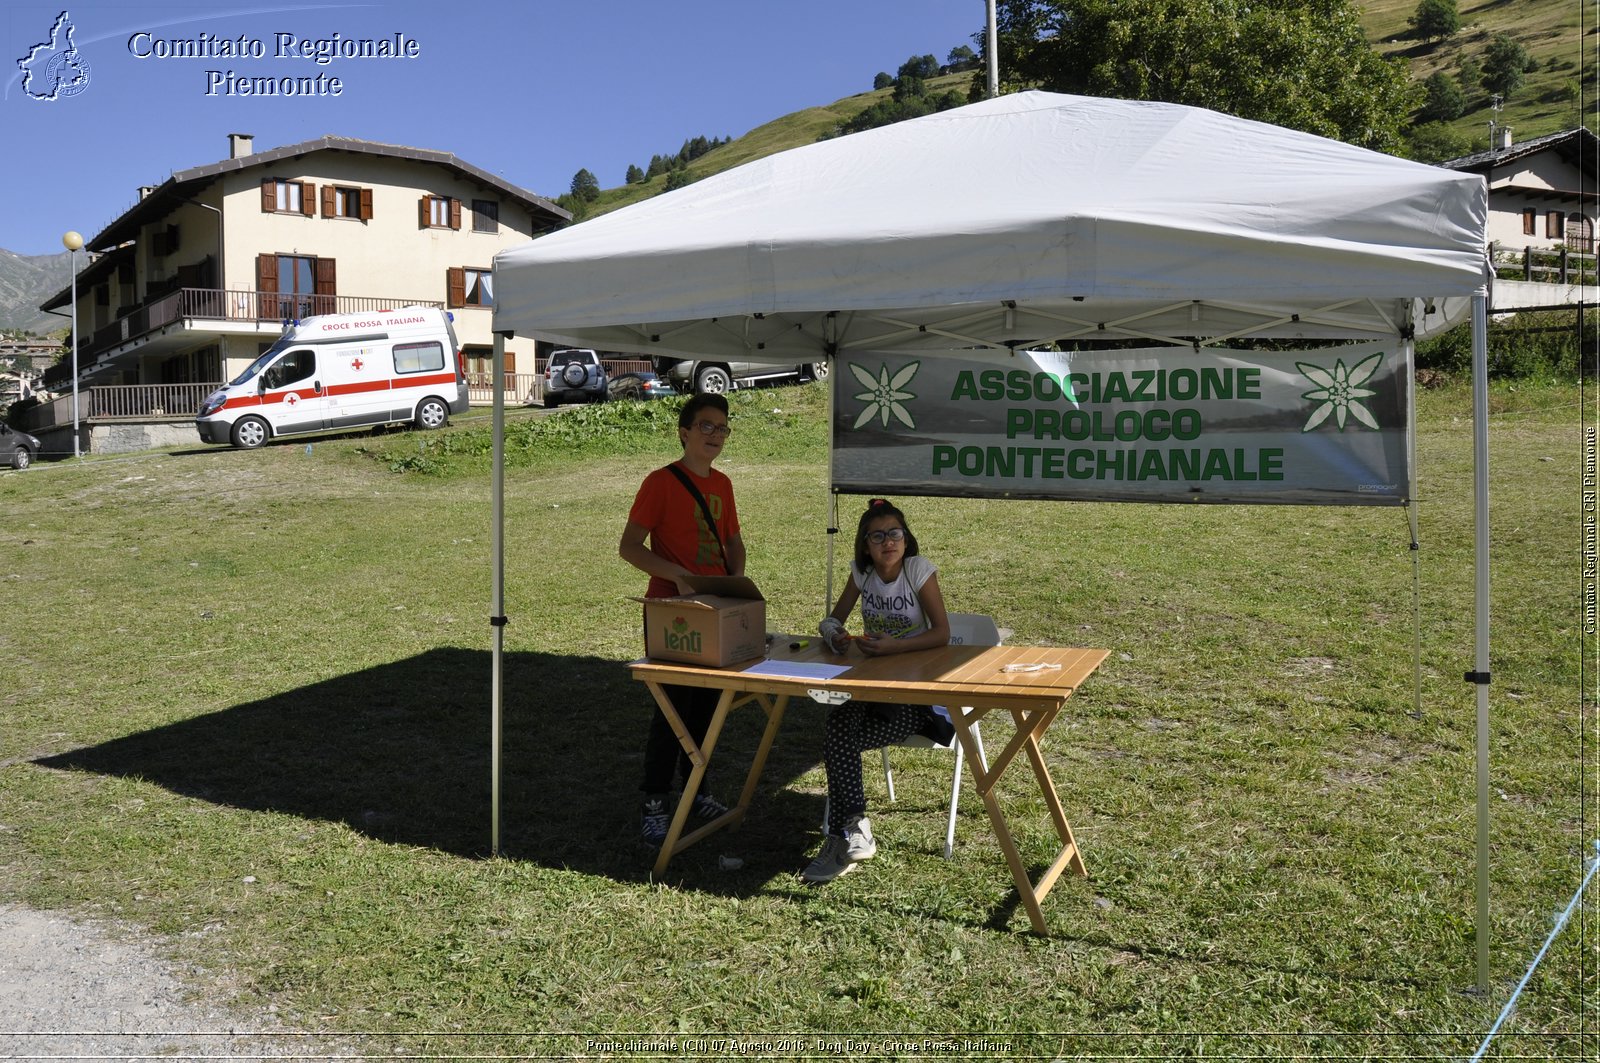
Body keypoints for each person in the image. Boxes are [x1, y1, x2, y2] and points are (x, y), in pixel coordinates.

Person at [802, 498, 952, 884]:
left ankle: (842, 836)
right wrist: (834, 634)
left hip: (915, 698)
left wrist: (894, 647)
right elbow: (833, 618)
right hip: (870, 686)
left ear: (907, 539)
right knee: (839, 727)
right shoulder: (861, 573)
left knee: (839, 738)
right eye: (878, 536)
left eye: (895, 533)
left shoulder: (918, 570)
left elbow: (942, 634)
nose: (889, 541)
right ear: (865, 545)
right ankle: (853, 829)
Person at [619, 392, 745, 846]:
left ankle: (697, 792)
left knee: (710, 709)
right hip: (673, 612)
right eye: (707, 426)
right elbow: (630, 547)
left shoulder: (724, 485)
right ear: (685, 432)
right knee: (672, 710)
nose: (715, 435)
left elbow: (733, 540)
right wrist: (680, 578)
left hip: (717, 609)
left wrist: (736, 584)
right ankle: (655, 801)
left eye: (723, 428)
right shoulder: (660, 482)